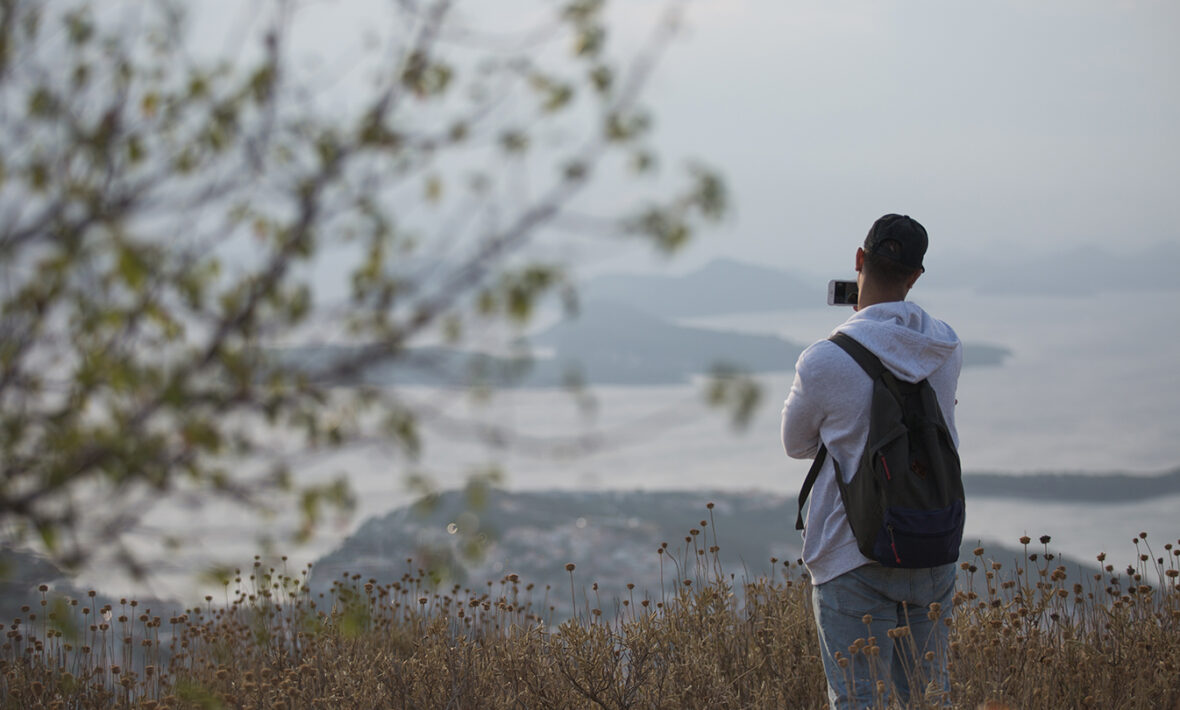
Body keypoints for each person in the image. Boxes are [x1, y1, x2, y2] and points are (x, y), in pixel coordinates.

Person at [781, 214, 962, 709]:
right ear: (916, 277)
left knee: (859, 701)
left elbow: (796, 444)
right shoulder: (947, 346)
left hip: (850, 552)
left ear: (859, 261)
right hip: (931, 544)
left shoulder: (825, 358)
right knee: (928, 698)